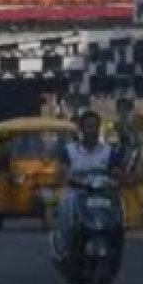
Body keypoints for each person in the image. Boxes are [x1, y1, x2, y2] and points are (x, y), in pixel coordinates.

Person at [53, 110, 124, 261]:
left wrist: (119, 177)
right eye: (88, 127)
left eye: (94, 127)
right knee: (65, 205)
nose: (91, 131)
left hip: (101, 194)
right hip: (76, 193)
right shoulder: (70, 151)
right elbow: (62, 171)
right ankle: (64, 248)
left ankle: (115, 247)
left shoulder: (108, 151)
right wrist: (66, 177)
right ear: (81, 129)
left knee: (118, 211)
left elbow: (116, 171)